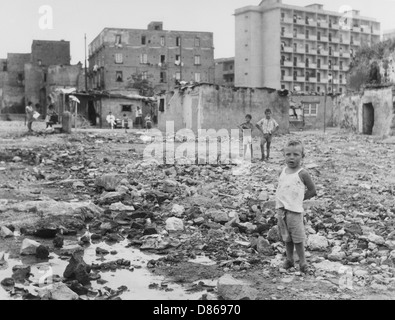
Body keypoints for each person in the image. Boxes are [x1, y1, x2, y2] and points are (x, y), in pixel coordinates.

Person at [275, 140, 317, 274]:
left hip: (294, 211)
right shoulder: (283, 171)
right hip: (282, 211)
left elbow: (312, 190)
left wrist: (299, 200)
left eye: (296, 154)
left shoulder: (302, 173)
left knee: (298, 238)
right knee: (286, 237)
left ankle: (303, 262)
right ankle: (289, 259)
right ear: (284, 156)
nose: (291, 157)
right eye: (288, 154)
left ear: (302, 156)